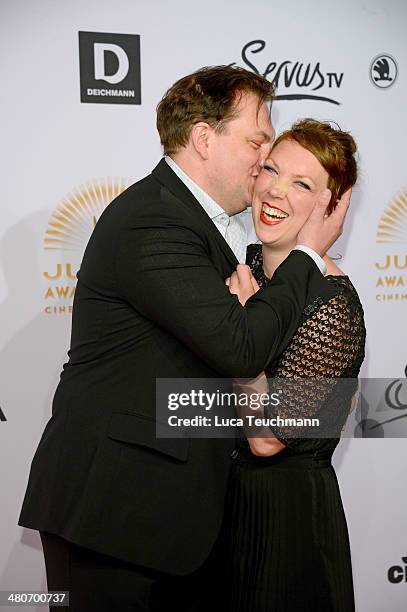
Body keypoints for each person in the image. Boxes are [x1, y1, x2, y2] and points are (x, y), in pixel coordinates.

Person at [19, 67, 350, 612]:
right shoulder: (155, 220)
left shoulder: (211, 234)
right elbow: (240, 350)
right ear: (203, 137)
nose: (264, 161)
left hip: (190, 525)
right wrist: (308, 254)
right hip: (117, 518)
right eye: (257, 140)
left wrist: (335, 403)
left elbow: (305, 413)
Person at [225, 119, 366, 612]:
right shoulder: (239, 267)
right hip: (218, 520)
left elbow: (266, 439)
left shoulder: (331, 304)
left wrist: (241, 344)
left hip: (286, 528)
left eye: (302, 183)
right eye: (272, 170)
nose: (275, 190)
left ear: (331, 206)